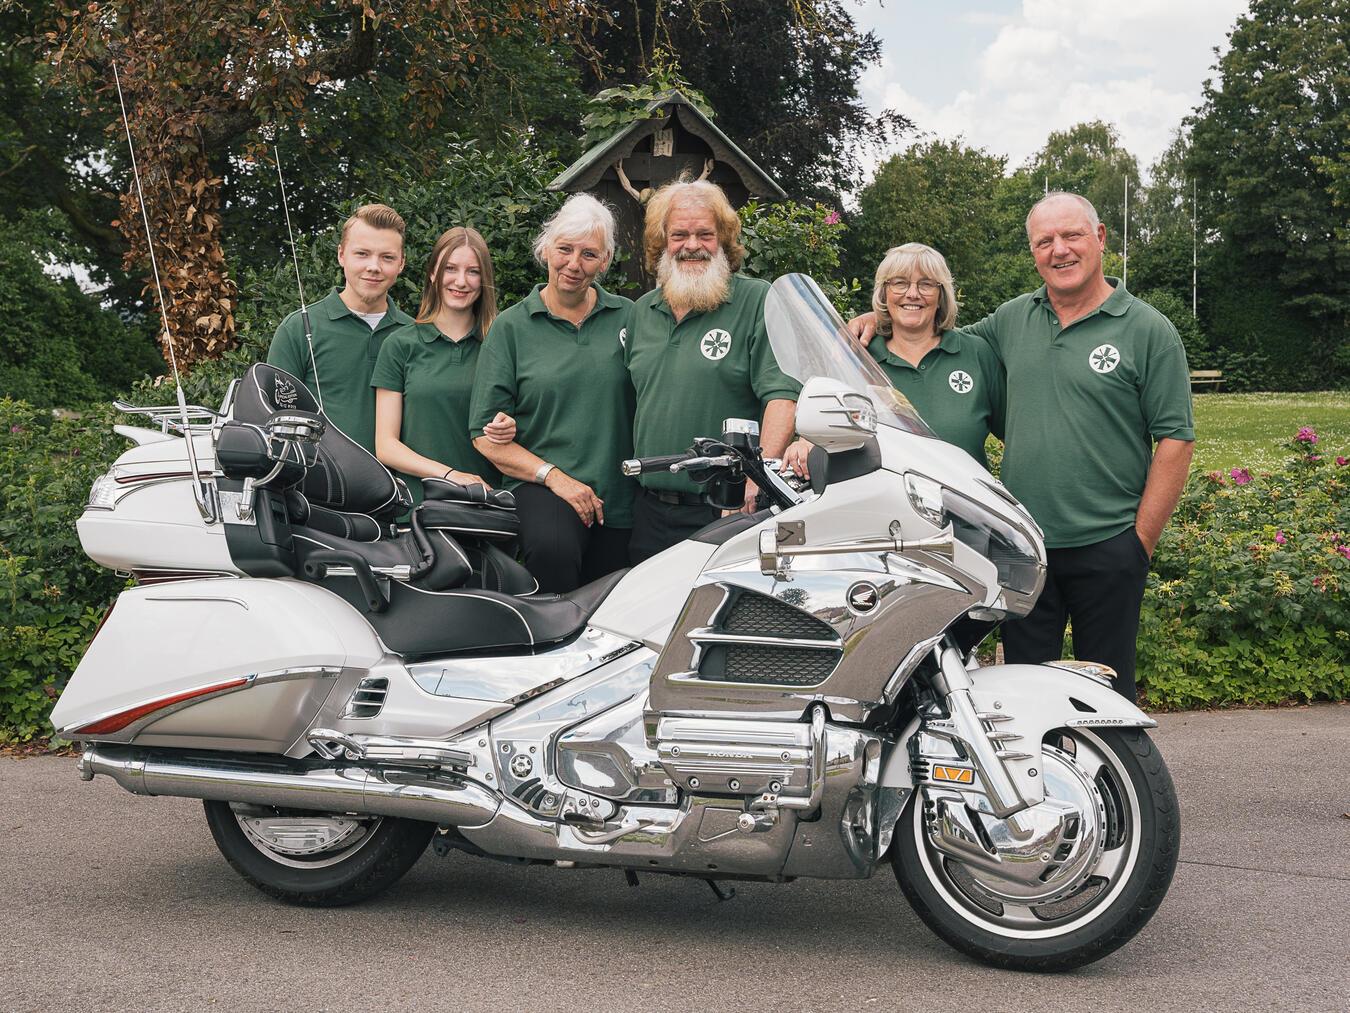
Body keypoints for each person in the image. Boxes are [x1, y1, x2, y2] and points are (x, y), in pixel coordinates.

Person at [849, 193, 1194, 700]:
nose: (1060, 250)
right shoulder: (1011, 321)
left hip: (1109, 541)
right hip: (1024, 545)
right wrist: (870, 319)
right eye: (1045, 241)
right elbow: (926, 329)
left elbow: (1176, 439)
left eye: (1072, 236)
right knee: (1027, 691)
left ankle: (1114, 781)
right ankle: (1044, 781)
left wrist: (1139, 542)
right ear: (1033, 252)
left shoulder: (1147, 329)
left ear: (1099, 238)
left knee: (1110, 694)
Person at [624, 179, 800, 562]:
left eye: (705, 234)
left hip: (727, 509)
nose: (691, 245)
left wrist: (756, 478)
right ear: (662, 242)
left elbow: (782, 397)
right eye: (679, 235)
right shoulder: (641, 312)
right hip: (650, 509)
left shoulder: (757, 300)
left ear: (724, 241)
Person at [469, 194, 636, 593]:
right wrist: (555, 478)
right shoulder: (511, 328)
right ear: (546, 248)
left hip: (621, 493)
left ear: (606, 261)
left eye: (589, 254)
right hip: (544, 491)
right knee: (553, 553)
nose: (574, 264)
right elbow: (483, 435)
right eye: (564, 249)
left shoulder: (632, 317)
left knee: (619, 600)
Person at [788, 242, 1003, 478]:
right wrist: (806, 444)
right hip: (883, 509)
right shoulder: (858, 358)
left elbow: (1015, 436)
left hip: (967, 508)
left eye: (926, 284)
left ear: (941, 294)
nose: (913, 293)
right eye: (900, 283)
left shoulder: (976, 353)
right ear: (884, 292)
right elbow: (824, 432)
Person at [371, 226, 512, 505]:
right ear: (433, 273)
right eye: (450, 268)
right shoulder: (400, 344)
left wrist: (510, 426)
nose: (461, 281)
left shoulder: (503, 344)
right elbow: (386, 446)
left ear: (484, 279)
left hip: (489, 506)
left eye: (473, 271)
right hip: (419, 509)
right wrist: (450, 475)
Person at [268, 204, 413, 454]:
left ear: (401, 263)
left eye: (387, 257)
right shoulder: (299, 328)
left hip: (399, 488)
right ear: (341, 255)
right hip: (317, 486)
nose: (374, 266)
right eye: (362, 254)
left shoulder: (415, 334)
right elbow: (273, 419)